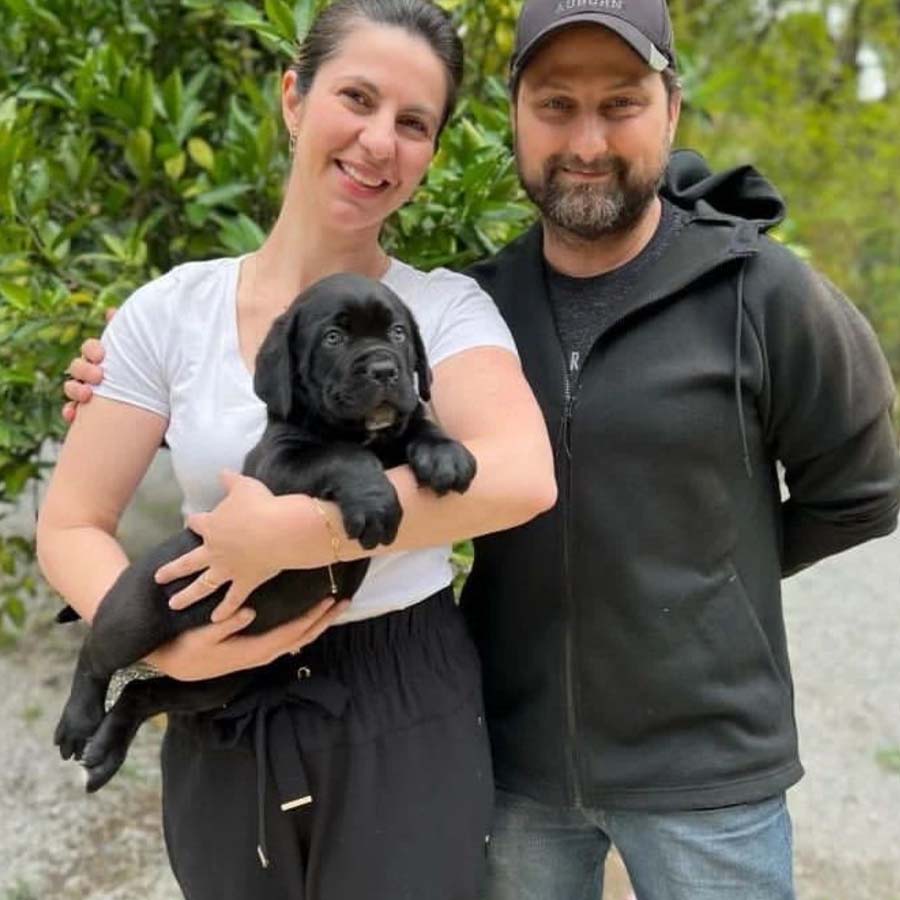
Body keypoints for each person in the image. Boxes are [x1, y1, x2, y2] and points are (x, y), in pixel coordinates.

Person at [64, 1, 900, 899]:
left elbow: (855, 493)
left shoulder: (743, 293)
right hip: (517, 755)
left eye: (619, 103)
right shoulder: (481, 295)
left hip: (688, 761)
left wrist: (713, 583)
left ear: (671, 108)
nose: (586, 139)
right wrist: (157, 650)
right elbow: (84, 512)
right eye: (554, 105)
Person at [38, 2, 556, 899]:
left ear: (432, 153)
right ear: (293, 97)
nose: (378, 142)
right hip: (224, 689)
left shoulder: (443, 312)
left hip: (407, 692)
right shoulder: (170, 310)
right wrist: (162, 655)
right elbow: (73, 522)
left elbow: (521, 475)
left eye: (414, 124)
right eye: (356, 98)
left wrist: (299, 535)